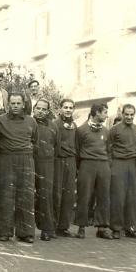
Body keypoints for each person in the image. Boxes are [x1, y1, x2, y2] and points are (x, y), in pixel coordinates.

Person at [0, 93, 38, 243]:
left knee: (26, 196)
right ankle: (4, 231)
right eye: (12, 103)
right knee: (6, 196)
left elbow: (35, 140)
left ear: (23, 104)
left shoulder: (31, 121)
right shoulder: (0, 120)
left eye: (18, 103)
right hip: (6, 159)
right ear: (8, 104)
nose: (15, 106)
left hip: (26, 160)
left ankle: (25, 232)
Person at [74, 103, 113, 239]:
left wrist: (107, 165)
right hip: (87, 164)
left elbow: (109, 151)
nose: (106, 115)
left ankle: (102, 227)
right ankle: (81, 227)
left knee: (104, 196)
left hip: (103, 165)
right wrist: (81, 167)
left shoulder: (106, 131)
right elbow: (77, 151)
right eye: (105, 112)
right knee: (84, 196)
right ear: (96, 112)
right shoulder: (81, 130)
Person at [108, 103, 136, 239]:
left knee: (133, 197)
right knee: (117, 197)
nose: (129, 117)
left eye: (132, 114)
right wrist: (111, 166)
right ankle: (116, 229)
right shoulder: (114, 129)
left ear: (134, 115)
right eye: (127, 114)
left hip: (133, 164)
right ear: (122, 114)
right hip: (118, 164)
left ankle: (131, 228)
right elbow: (108, 149)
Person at [51, 99, 77, 237]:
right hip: (58, 161)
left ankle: (63, 226)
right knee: (56, 193)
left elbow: (76, 145)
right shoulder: (55, 124)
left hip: (71, 161)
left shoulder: (74, 125)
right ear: (60, 108)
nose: (68, 110)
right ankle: (53, 225)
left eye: (70, 107)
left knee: (69, 194)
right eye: (65, 107)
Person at [33, 98, 57, 241]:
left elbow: (56, 145)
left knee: (45, 196)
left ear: (48, 111)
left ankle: (47, 229)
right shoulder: (28, 122)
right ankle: (25, 230)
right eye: (38, 108)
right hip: (29, 161)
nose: (40, 111)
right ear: (34, 108)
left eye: (44, 109)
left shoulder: (53, 127)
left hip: (46, 163)